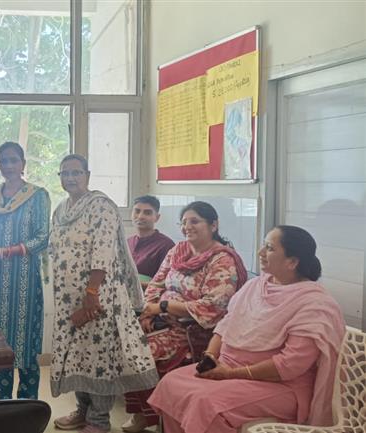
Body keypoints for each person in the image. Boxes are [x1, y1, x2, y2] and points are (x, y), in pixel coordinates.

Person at [148, 225, 346, 433]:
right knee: (172, 383)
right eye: (264, 245)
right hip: (228, 366)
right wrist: (210, 357)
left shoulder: (315, 304)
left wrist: (231, 374)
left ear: (292, 262)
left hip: (280, 385)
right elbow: (226, 325)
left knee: (206, 404)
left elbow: (290, 364)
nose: (261, 252)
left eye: (269, 248)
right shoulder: (256, 285)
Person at [49, 154, 158, 433]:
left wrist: (91, 292)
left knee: (98, 357)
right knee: (77, 354)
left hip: (99, 295)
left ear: (87, 175)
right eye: (65, 173)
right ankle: (82, 411)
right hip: (68, 299)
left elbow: (103, 251)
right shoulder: (60, 209)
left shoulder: (101, 206)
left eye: (76, 172)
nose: (70, 178)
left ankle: (98, 421)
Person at [122, 201, 248, 432]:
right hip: (161, 319)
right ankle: (144, 413)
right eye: (184, 222)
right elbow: (156, 283)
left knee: (141, 353)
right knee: (121, 344)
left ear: (213, 225)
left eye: (194, 221)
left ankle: (162, 416)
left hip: (194, 330)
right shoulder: (178, 251)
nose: (187, 227)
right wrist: (147, 311)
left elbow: (213, 306)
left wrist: (163, 307)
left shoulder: (222, 260)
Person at [0, 142, 50, 400]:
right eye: (3, 161)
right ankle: (3, 404)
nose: (8, 165)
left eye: (13, 160)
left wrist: (6, 251)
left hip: (25, 281)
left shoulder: (37, 195)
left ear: (23, 164)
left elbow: (42, 238)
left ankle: (27, 407)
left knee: (26, 343)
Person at [127, 195, 175, 289]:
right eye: (137, 211)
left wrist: (134, 283)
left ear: (157, 217)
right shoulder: (127, 242)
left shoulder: (166, 245)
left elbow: (167, 283)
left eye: (147, 213)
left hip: (149, 295)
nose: (140, 216)